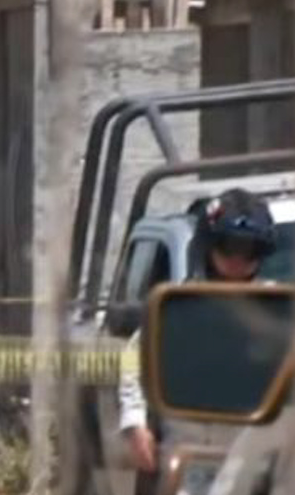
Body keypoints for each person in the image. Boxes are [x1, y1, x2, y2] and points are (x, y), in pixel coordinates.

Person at [116, 187, 279, 472]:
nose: (238, 263)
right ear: (207, 246)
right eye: (229, 248)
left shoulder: (279, 306)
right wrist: (135, 424)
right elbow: (134, 361)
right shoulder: (177, 305)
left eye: (250, 252)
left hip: (257, 462)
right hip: (186, 458)